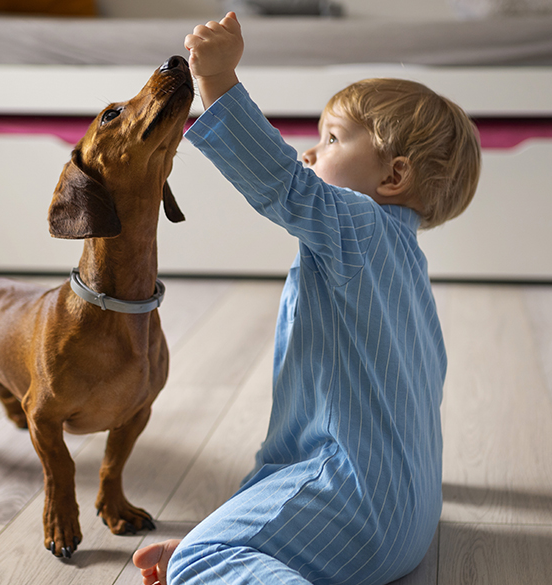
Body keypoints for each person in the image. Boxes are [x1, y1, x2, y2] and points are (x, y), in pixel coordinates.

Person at [134, 12, 481, 584]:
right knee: (208, 540)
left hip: (354, 500)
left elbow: (282, 186)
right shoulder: (408, 270)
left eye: (333, 139)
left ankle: (217, 560)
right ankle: (238, 553)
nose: (309, 153)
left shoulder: (360, 225)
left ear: (393, 177)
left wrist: (218, 83)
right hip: (409, 515)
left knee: (200, 561)